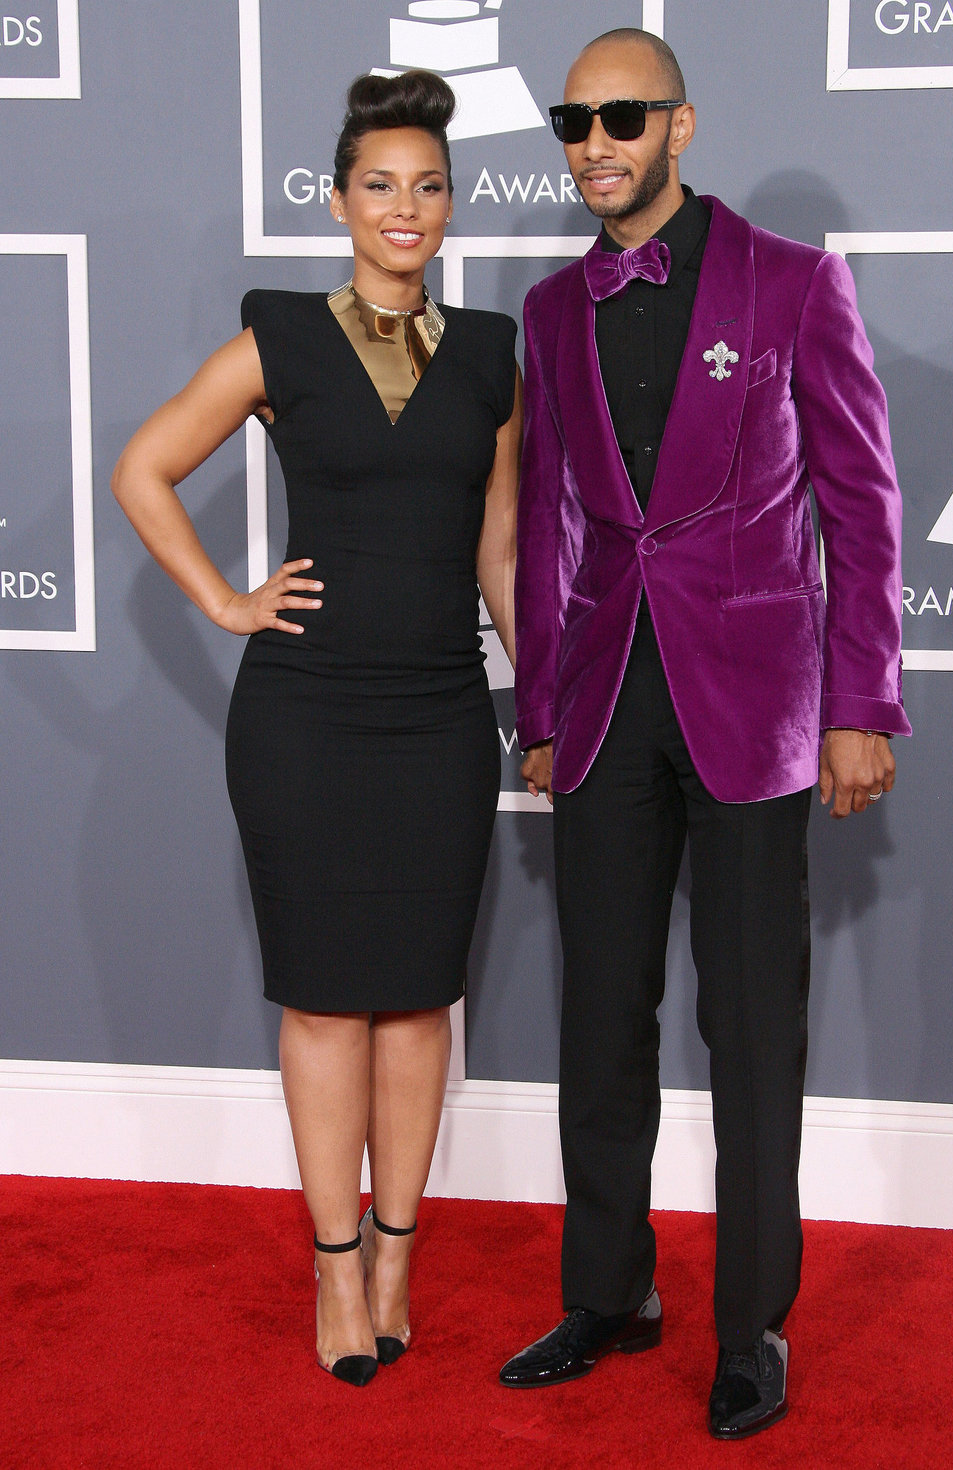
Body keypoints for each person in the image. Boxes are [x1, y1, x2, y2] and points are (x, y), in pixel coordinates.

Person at [499, 28, 909, 1439]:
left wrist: (863, 701)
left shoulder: (791, 282)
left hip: (756, 700)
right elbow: (549, 524)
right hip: (608, 700)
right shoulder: (552, 311)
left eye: (623, 115)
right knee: (599, 1015)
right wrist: (541, 710)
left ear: (680, 124)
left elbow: (861, 508)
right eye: (573, 119)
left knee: (748, 1027)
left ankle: (751, 1329)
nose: (595, 140)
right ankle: (609, 1291)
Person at [113, 70, 520, 1388]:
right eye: (380, 185)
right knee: (326, 1002)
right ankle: (334, 1263)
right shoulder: (280, 334)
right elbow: (143, 467)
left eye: (428, 185)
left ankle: (398, 1251)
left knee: (418, 1002)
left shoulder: (494, 356)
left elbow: (501, 546)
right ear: (339, 200)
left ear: (451, 204)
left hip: (441, 718)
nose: (406, 207)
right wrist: (228, 600)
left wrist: (549, 696)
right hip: (305, 718)